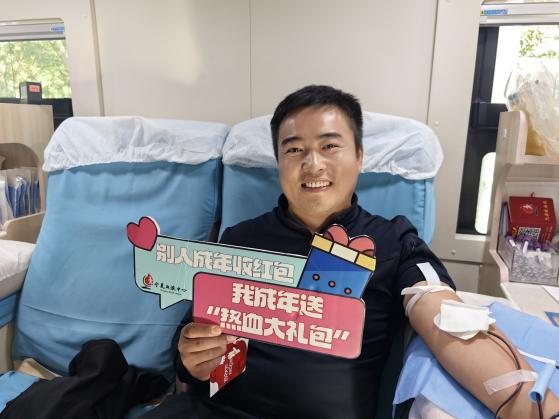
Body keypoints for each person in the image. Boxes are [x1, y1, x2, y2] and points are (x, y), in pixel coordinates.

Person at [141, 85, 559, 418]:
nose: (312, 163)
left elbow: (446, 316)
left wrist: (525, 403)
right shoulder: (238, 241)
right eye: (293, 149)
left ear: (359, 157)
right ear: (279, 163)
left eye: (329, 146)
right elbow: (190, 343)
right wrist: (190, 358)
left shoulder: (393, 241)